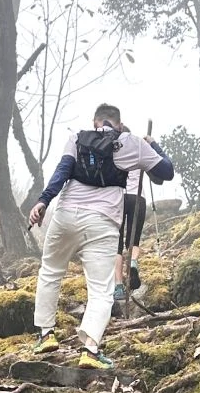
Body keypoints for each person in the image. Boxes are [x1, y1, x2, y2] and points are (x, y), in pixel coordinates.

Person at [27, 104, 173, 368]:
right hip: (103, 223)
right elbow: (166, 172)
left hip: (66, 216)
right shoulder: (131, 142)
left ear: (95, 121)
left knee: (50, 272)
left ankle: (46, 335)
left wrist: (42, 201)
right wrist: (153, 145)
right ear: (118, 124)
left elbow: (62, 171)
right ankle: (90, 350)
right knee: (101, 290)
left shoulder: (76, 138)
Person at [114, 162, 147, 302]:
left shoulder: (114, 150)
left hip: (118, 197)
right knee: (134, 240)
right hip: (138, 197)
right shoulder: (139, 151)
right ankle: (133, 262)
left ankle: (119, 287)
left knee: (117, 244)